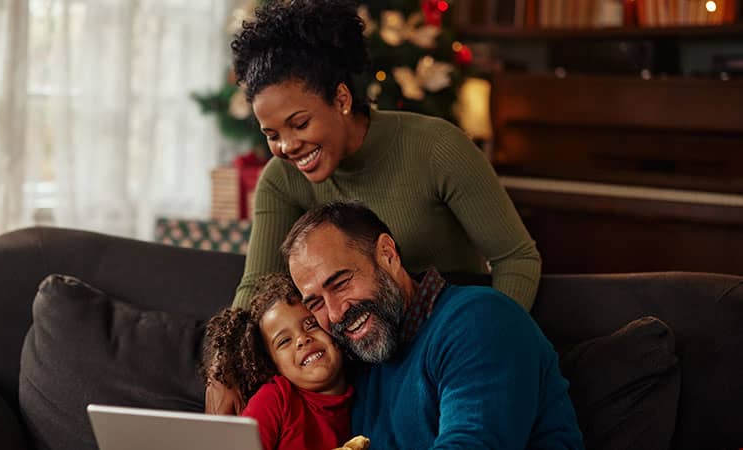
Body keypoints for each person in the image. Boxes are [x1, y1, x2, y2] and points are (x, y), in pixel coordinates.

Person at [229, 0, 541, 314]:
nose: (287, 146)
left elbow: (516, 258)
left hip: (452, 336)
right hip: (356, 349)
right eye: (272, 135)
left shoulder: (437, 147)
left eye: (300, 124)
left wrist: (492, 337)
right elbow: (258, 290)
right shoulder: (281, 179)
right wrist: (231, 354)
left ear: (341, 99)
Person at [280, 201, 583, 449]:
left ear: (387, 255)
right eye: (316, 303)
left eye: (342, 283)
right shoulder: (366, 353)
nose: (334, 314)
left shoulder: (480, 319)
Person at [203, 273, 365, 450]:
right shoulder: (274, 399)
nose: (302, 339)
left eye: (311, 325)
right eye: (284, 341)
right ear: (273, 364)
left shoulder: (365, 393)